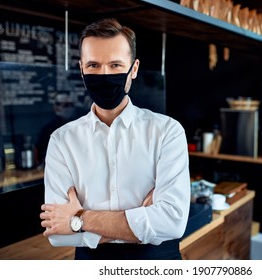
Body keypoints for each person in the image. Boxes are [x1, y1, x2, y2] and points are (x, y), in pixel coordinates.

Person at [39, 18, 191, 260]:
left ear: (135, 68)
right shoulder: (61, 140)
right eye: (94, 65)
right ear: (81, 69)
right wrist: (141, 219)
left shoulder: (168, 132)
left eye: (115, 65)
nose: (105, 74)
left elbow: (172, 223)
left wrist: (80, 219)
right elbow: (58, 234)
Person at [36, 92, 76, 165]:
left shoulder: (76, 124)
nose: (70, 108)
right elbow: (40, 151)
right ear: (56, 107)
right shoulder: (48, 129)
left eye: (71, 105)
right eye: (66, 105)